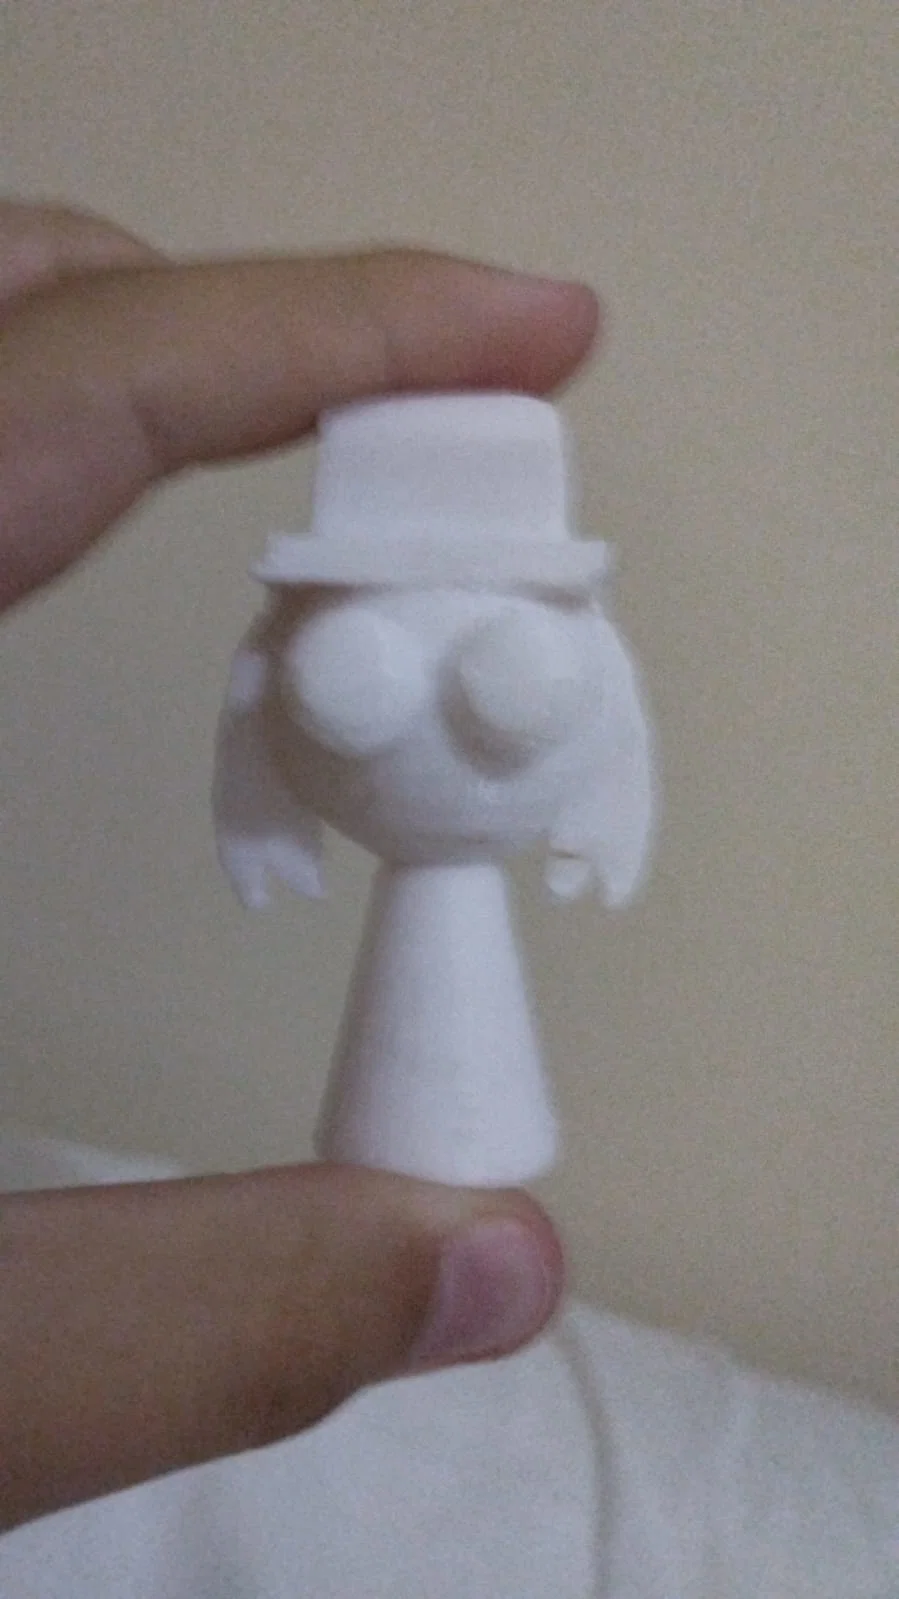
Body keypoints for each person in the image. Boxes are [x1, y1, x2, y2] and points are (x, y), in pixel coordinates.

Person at [0, 198, 599, 1529]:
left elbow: (605, 735)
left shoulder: (570, 670)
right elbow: (256, 729)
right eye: (353, 674)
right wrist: (269, 813)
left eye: (514, 676)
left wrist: (600, 813)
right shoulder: (287, 671)